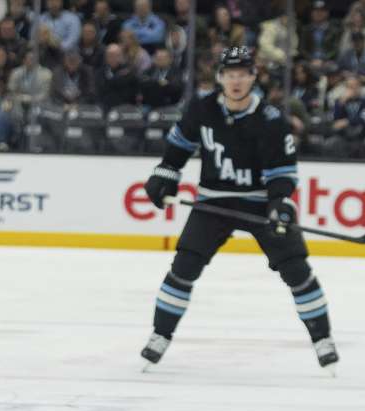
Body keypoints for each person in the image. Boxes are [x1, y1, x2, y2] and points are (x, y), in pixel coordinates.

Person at [138, 47, 339, 372]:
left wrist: (281, 205)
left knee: (296, 268)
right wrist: (165, 174)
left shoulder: (271, 120)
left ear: (252, 78)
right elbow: (179, 147)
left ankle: (323, 339)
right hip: (214, 200)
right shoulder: (201, 108)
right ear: (220, 77)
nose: (236, 80)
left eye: (243, 73)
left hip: (259, 202)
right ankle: (160, 335)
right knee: (184, 266)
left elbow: (283, 173)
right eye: (230, 74)